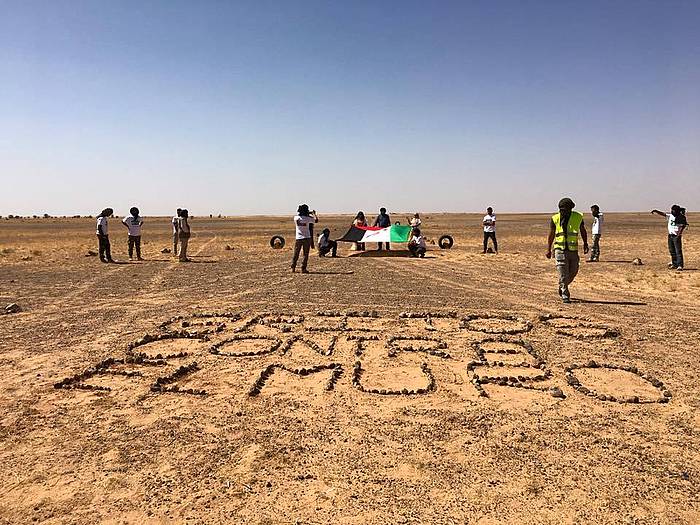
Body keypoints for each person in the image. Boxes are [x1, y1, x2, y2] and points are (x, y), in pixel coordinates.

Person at [546, 198, 589, 303]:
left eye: (565, 209)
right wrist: (548, 249)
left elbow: (582, 230)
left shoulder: (578, 217)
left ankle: (561, 285)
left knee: (573, 271)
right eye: (561, 209)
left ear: (571, 209)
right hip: (559, 250)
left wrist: (585, 243)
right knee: (563, 274)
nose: (563, 211)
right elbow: (551, 233)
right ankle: (565, 294)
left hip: (573, 250)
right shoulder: (555, 218)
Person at [652, 205, 687, 270]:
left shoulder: (681, 217)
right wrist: (656, 211)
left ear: (676, 211)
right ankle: (674, 264)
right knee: (672, 251)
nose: (672, 211)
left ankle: (680, 265)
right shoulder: (670, 216)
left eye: (673, 210)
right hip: (670, 236)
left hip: (676, 236)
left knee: (678, 251)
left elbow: (683, 226)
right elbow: (663, 214)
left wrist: (678, 235)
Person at [291, 204, 318, 273]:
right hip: (306, 238)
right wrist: (314, 214)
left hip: (298, 238)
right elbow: (316, 220)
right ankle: (303, 268)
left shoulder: (295, 218)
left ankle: (293, 267)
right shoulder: (308, 218)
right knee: (305, 254)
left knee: (296, 253)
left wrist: (307, 213)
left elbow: (301, 216)